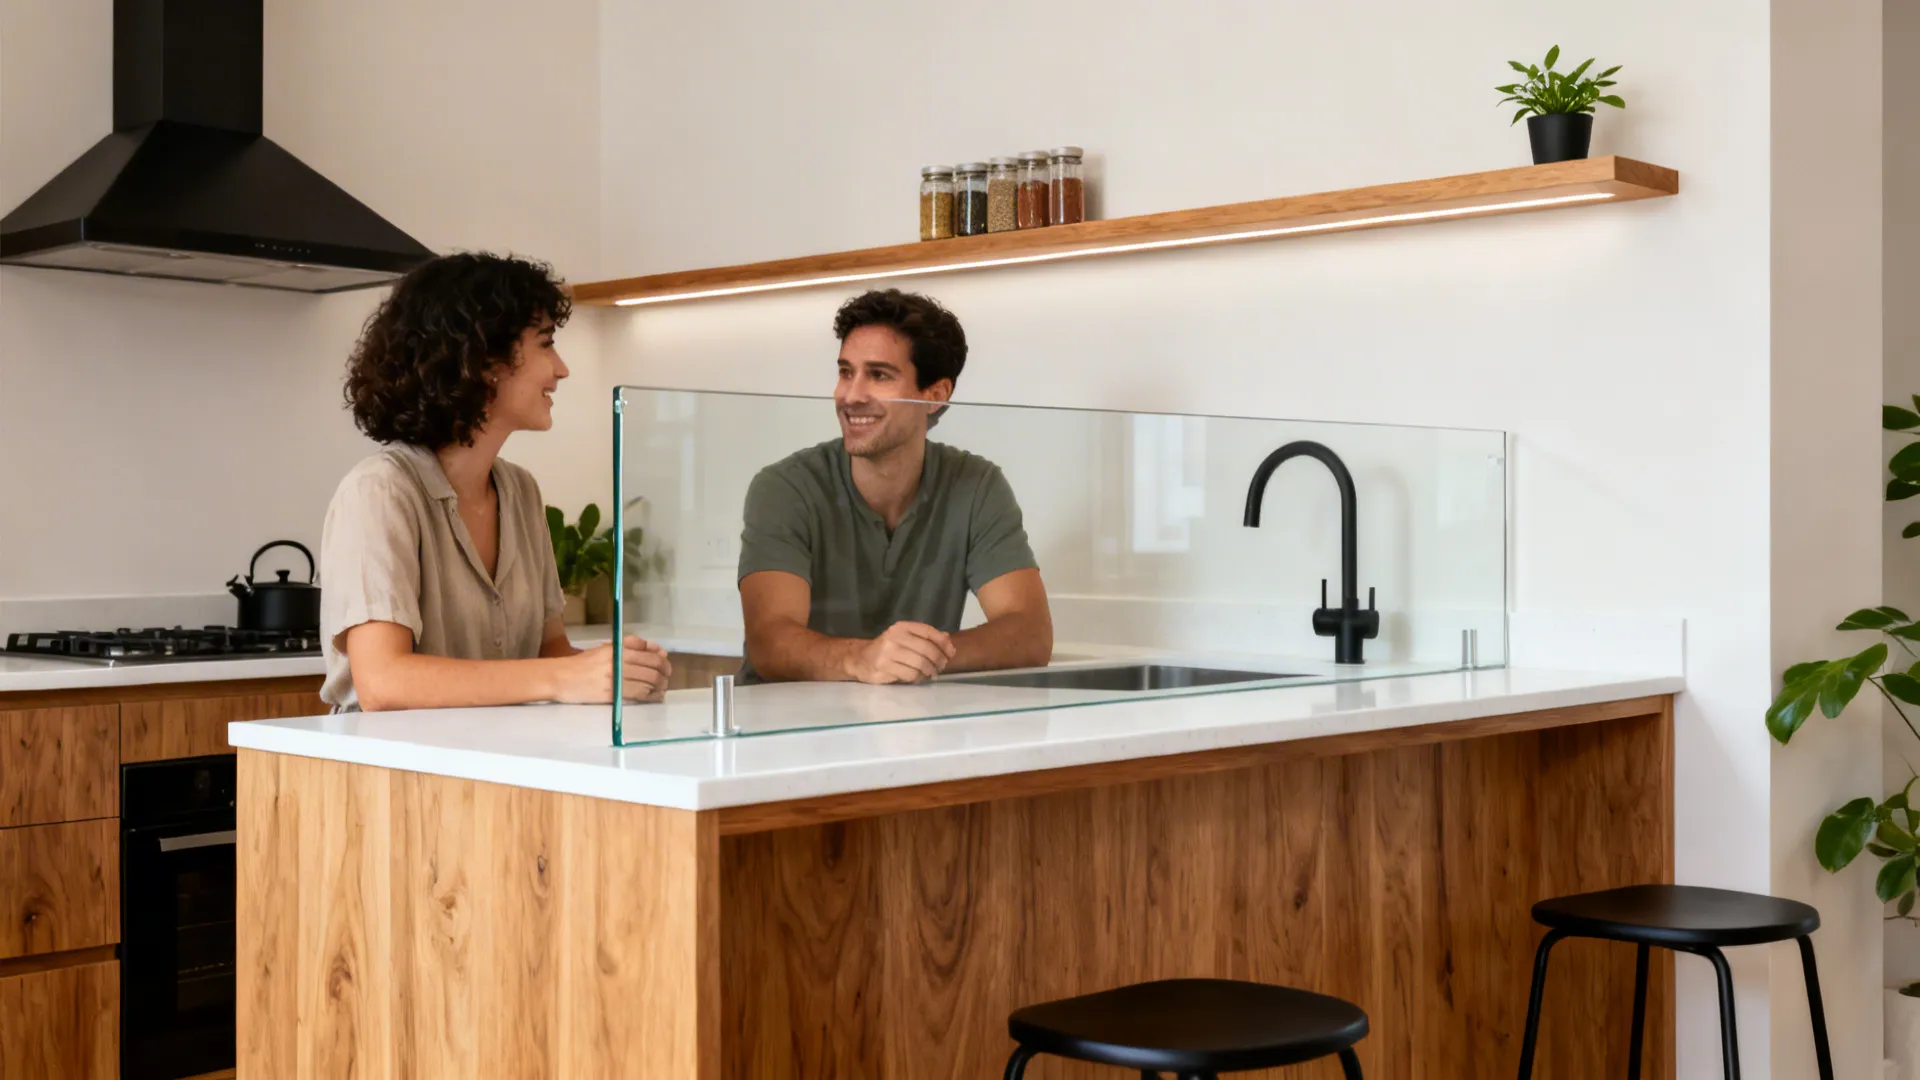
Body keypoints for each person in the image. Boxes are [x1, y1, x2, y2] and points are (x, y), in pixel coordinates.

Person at [319, 252, 671, 711]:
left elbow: (549, 656)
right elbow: (384, 683)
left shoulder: (520, 491)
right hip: (394, 778)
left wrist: (616, 673)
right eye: (546, 343)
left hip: (493, 763)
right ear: (485, 359)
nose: (561, 368)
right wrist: (564, 675)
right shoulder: (380, 491)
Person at [737, 289, 1052, 684]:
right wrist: (863, 659)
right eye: (845, 372)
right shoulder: (784, 489)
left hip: (907, 730)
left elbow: (1030, 634)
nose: (850, 396)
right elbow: (770, 641)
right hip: (783, 734)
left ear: (935, 396)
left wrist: (913, 660)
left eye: (879, 375)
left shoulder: (977, 486)